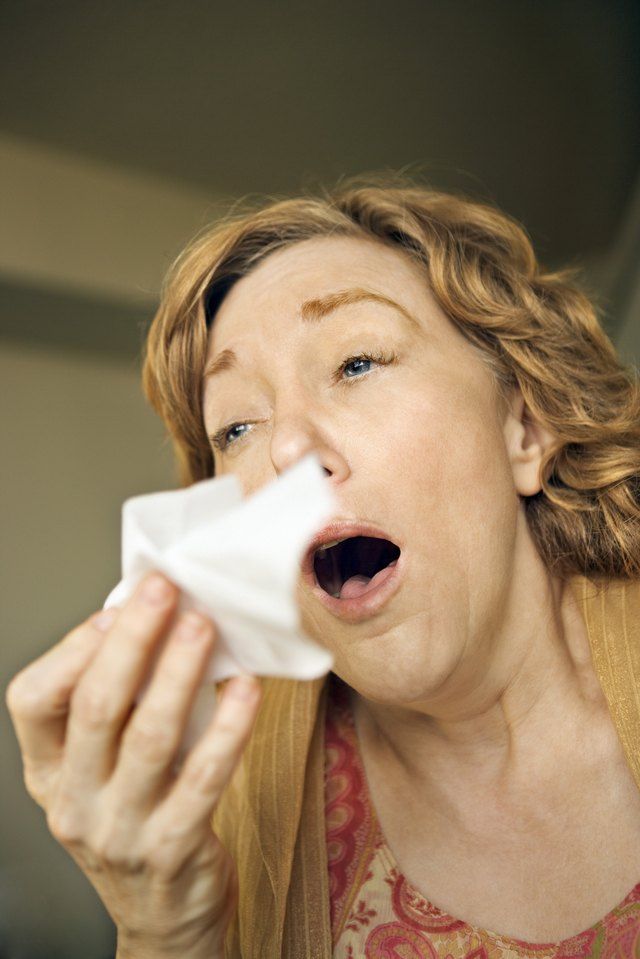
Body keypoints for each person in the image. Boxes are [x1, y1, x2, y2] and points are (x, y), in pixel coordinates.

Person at [6, 176, 640, 959]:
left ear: (525, 429)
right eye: (237, 425)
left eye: (356, 363)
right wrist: (166, 934)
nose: (287, 452)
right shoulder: (225, 812)